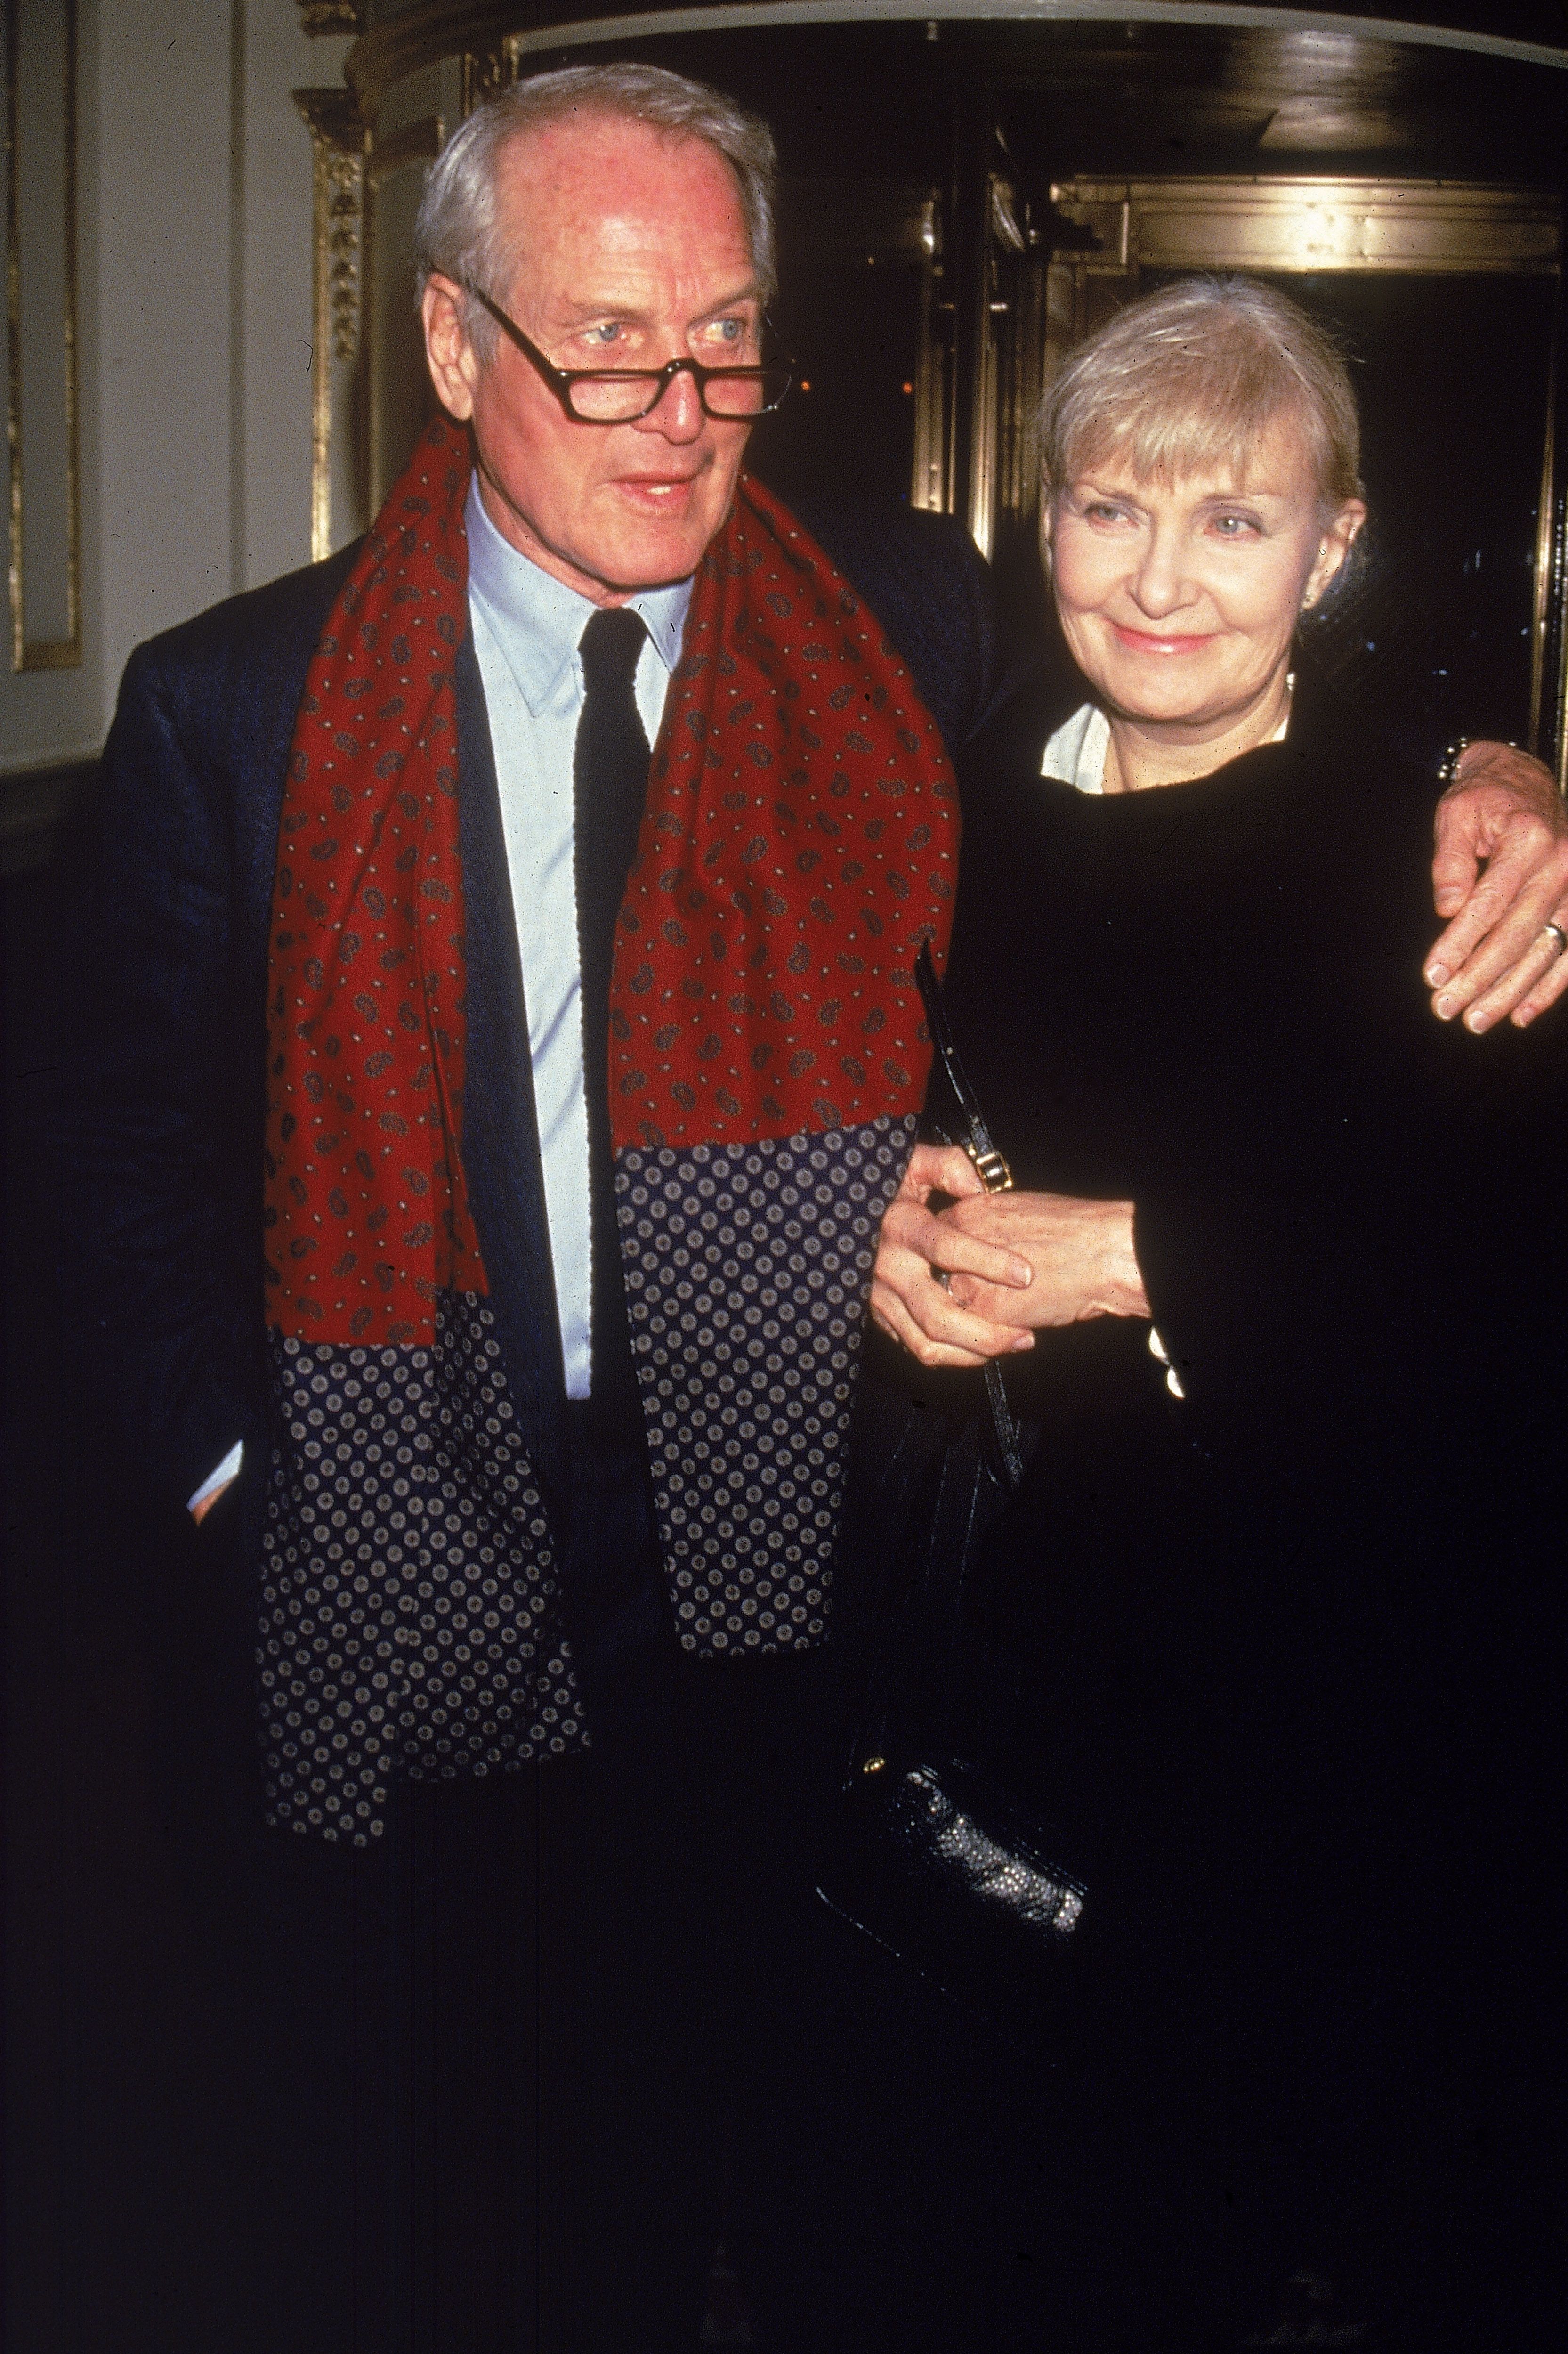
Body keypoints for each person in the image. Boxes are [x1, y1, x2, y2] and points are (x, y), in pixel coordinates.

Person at [72, 64, 1560, 2350]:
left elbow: (1220, 718)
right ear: (455, 348)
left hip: (808, 1550)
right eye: (606, 346)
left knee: (756, 2142)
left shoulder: (894, 620)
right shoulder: (230, 709)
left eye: (728, 343)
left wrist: (1493, 767)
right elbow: (125, 1171)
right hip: (414, 1506)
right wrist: (236, 1469)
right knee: (417, 2161)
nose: (679, 415)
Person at [865, 275, 1565, 2351]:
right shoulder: (937, 808)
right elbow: (828, 1112)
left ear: (1328, 545)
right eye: (1107, 512)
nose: (1159, 581)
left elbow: (1508, 1286)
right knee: (1076, 2240)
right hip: (1047, 1670)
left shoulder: (1451, 850)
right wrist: (876, 1247)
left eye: (1233, 523)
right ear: (1039, 524)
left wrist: (1140, 1254)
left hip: (1377, 1694)